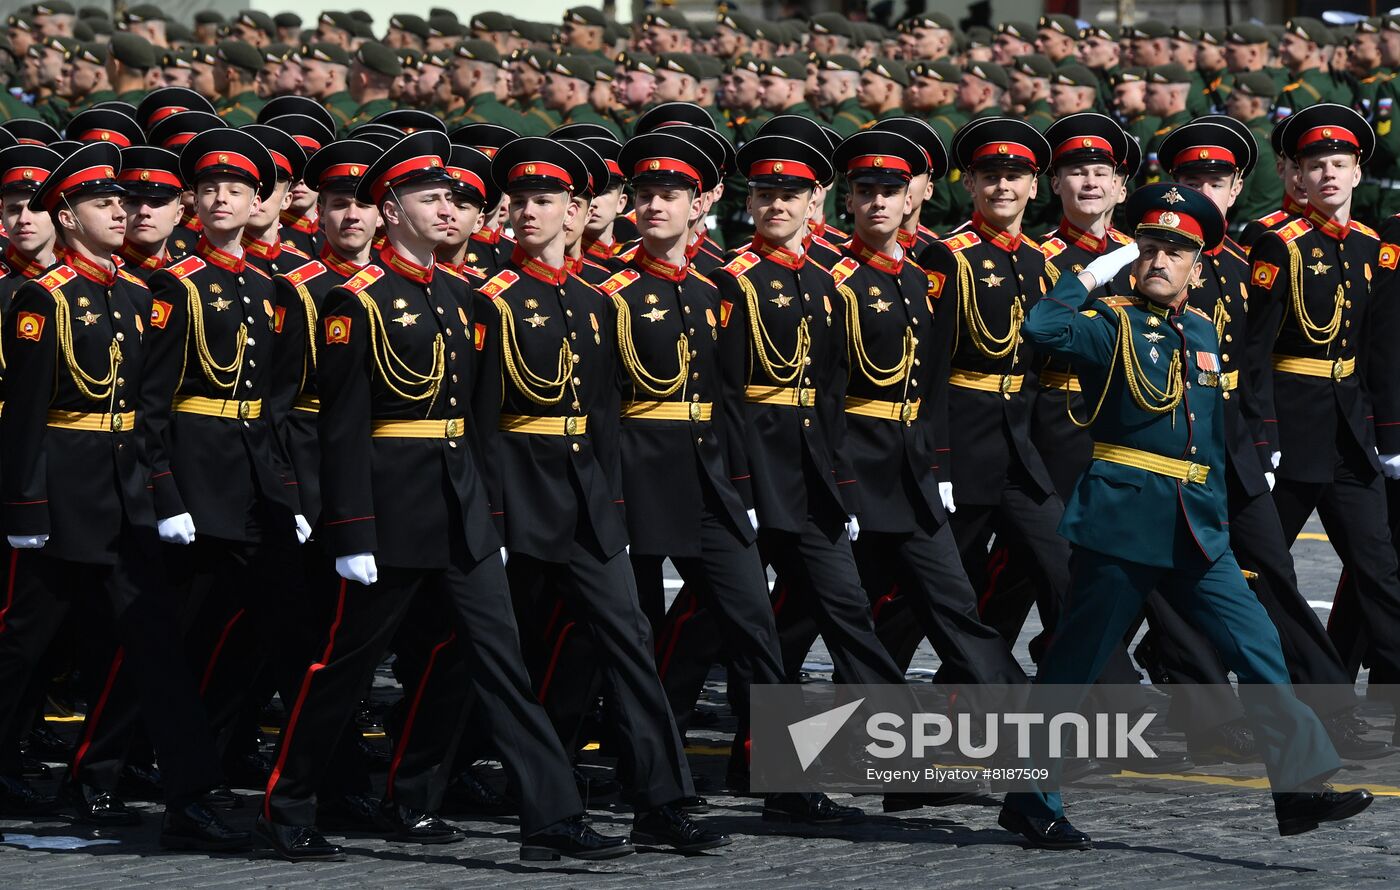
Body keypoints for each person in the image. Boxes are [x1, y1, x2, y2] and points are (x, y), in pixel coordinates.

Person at [1001, 180, 1372, 849]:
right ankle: (1030, 796)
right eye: (1148, 248)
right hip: (1121, 524)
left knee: (1258, 646)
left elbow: (1204, 433)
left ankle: (1299, 788)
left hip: (1196, 526)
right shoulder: (1107, 323)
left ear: (1200, 267)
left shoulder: (1201, 330)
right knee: (1075, 665)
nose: (1160, 260)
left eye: (1176, 251)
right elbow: (1040, 329)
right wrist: (1093, 271)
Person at [470, 135, 731, 851]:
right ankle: (449, 783)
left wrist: (609, 497)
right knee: (499, 654)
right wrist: (487, 514)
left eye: (543, 201)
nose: (526, 212)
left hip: (584, 496)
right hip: (515, 496)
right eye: (517, 201)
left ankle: (660, 800)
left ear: (578, 210)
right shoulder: (490, 299)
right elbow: (480, 419)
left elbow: (607, 413)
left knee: (630, 638)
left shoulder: (594, 300)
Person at [0, 141, 249, 851]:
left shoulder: (139, 297)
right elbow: (24, 417)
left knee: (154, 645)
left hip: (123, 496)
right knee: (21, 644)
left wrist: (160, 494)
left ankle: (190, 796)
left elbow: (145, 409)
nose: (122, 211)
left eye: (124, 201)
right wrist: (23, 509)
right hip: (56, 496)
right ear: (67, 219)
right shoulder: (39, 300)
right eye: (103, 203)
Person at [1246, 104, 1400, 708]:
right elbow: (1254, 353)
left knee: (1379, 570)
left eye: (1340, 164)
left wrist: (1388, 439)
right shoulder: (1277, 244)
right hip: (1290, 427)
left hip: (1350, 430)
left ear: (1359, 173)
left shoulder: (1373, 248)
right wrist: (1263, 435)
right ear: (1298, 178)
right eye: (1316, 166)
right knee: (1259, 570)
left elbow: (1379, 350)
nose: (1328, 175)